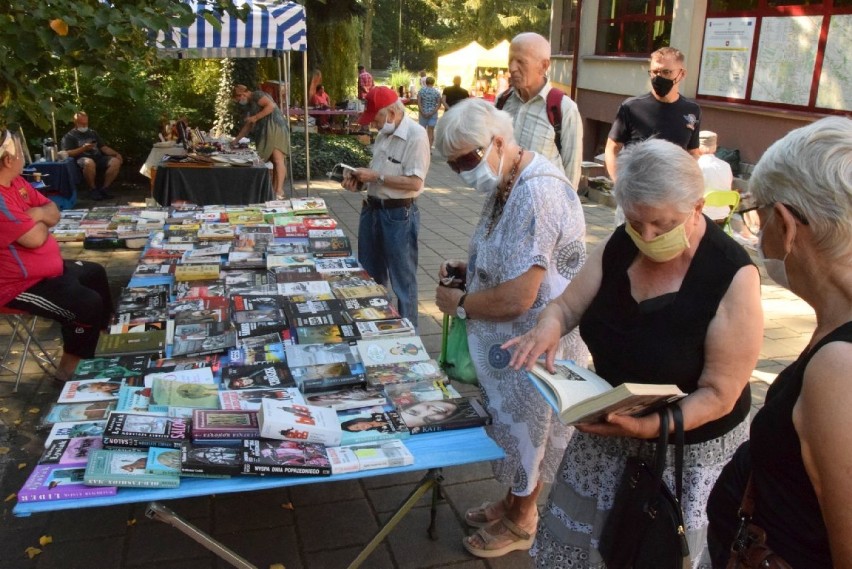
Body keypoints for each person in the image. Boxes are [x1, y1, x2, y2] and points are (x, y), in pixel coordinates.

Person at [504, 138, 763, 567]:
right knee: (587, 550)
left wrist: (648, 429)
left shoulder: (731, 274)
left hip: (685, 450)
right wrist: (547, 328)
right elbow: (568, 305)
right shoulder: (623, 243)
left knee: (656, 551)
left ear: (697, 207)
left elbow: (720, 394)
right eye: (635, 221)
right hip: (610, 429)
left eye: (662, 225)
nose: (647, 237)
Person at [433, 98, 589, 558]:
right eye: (454, 163)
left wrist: (462, 304)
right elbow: (511, 258)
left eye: (467, 159)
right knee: (517, 432)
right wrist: (471, 268)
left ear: (498, 141)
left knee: (530, 433)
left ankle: (524, 519)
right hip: (516, 344)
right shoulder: (510, 179)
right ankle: (512, 502)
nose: (463, 171)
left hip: (533, 344)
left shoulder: (535, 191)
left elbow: (522, 295)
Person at [707, 117, 852, 569]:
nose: (757, 233)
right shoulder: (836, 333)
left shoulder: (839, 367)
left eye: (758, 217)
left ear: (786, 224)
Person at [0, 130, 113, 382]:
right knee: (86, 303)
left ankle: (100, 340)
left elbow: (53, 211)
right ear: (9, 160)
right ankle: (68, 371)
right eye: (20, 152)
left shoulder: (16, 182)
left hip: (45, 271)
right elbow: (35, 238)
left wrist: (36, 215)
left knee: (95, 272)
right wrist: (40, 217)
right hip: (16, 286)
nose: (23, 157)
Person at [339, 86, 430, 329]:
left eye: (376, 119)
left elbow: (415, 182)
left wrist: (376, 177)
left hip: (399, 214)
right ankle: (376, 328)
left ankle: (409, 334)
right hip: (372, 210)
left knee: (403, 281)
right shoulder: (383, 135)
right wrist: (358, 181)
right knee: (369, 276)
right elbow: (376, 178)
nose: (374, 125)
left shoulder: (416, 135)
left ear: (391, 112)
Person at [499, 32, 583, 189]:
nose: (512, 68)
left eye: (520, 62)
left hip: (544, 207)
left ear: (543, 66)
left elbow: (572, 172)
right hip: (504, 204)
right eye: (510, 60)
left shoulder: (564, 108)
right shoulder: (502, 101)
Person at [604, 46, 701, 182]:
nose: (659, 77)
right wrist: (618, 183)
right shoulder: (632, 107)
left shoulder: (692, 110)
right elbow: (612, 149)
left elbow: (693, 153)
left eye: (666, 72)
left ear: (682, 74)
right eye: (655, 72)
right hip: (636, 190)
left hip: (672, 193)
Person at [232, 84, 290, 200]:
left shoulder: (257, 95)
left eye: (238, 99)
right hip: (267, 129)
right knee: (274, 161)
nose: (239, 102)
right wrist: (236, 140)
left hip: (275, 127)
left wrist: (256, 117)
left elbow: (271, 106)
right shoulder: (250, 105)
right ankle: (274, 190)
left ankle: (279, 190)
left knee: (278, 159)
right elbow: (248, 125)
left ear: (242, 94)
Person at [60, 111, 123, 201]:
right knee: (89, 162)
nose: (85, 125)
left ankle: (104, 189)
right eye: (82, 123)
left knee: (116, 162)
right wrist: (83, 149)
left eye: (86, 123)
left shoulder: (92, 133)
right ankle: (92, 190)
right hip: (81, 159)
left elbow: (103, 147)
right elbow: (67, 153)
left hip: (98, 158)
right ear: (75, 122)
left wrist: (116, 154)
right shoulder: (69, 136)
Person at [417, 76, 442, 148]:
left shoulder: (421, 91)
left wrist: (422, 111)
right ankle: (429, 148)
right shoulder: (436, 92)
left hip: (423, 113)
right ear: (433, 83)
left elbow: (419, 102)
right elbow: (439, 104)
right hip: (432, 114)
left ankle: (422, 147)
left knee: (422, 131)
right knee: (430, 132)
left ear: (426, 82)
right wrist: (432, 112)